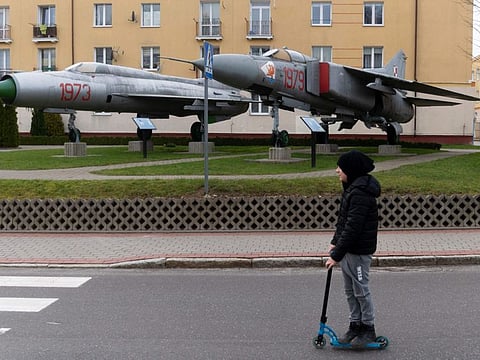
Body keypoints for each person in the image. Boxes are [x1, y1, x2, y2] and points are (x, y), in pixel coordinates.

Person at [325, 149, 381, 348]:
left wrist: (336, 255)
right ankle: (355, 325)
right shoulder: (351, 189)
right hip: (349, 250)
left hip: (358, 251)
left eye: (340, 167)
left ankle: (368, 328)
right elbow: (343, 222)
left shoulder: (361, 194)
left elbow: (353, 228)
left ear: (351, 169)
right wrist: (335, 242)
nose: (337, 171)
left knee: (361, 291)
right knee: (350, 291)